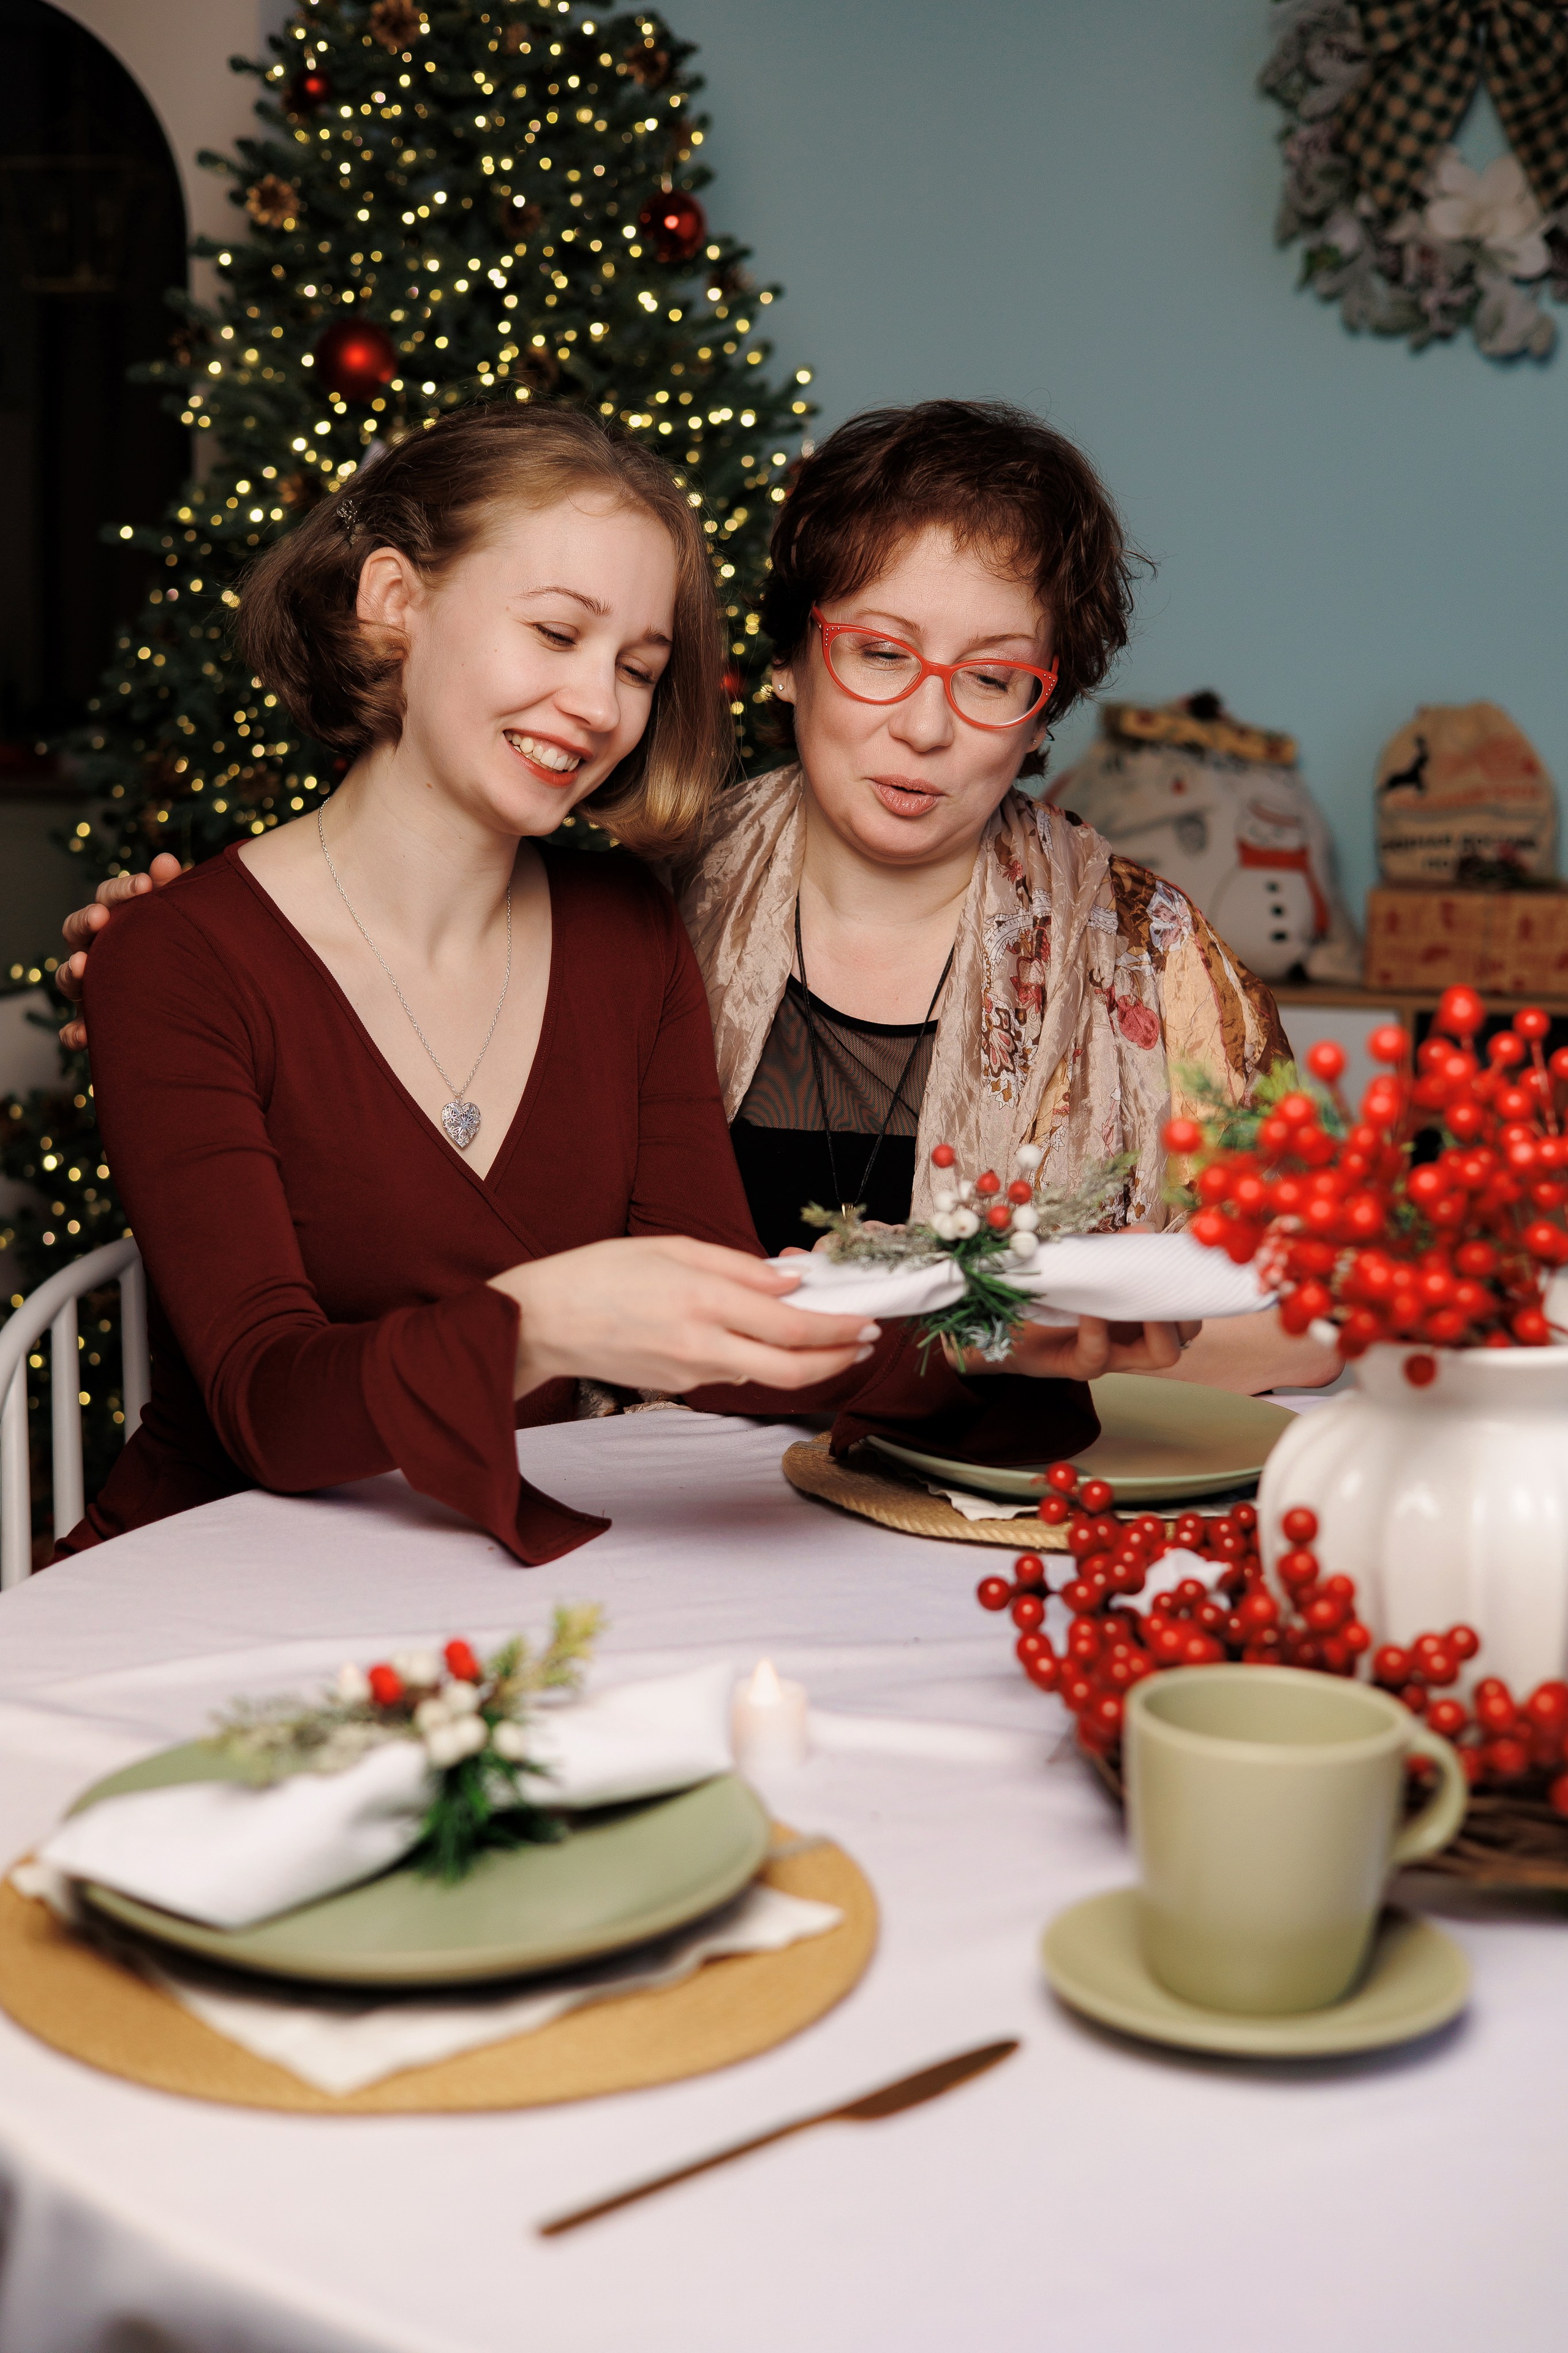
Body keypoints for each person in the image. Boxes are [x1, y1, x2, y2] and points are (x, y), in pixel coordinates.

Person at [59, 403, 1152, 1566]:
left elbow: (734, 1341)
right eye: (555, 633)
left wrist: (985, 1338)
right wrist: (546, 1325)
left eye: (638, 667)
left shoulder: (622, 932)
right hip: (198, 1582)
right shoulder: (170, 954)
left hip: (484, 1584)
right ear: (394, 603)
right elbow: (267, 1406)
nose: (597, 707)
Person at [674, 401, 1338, 1395]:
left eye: (991, 677)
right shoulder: (653, 906)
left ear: (1039, 721)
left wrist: (993, 1356)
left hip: (999, 1519)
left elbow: (1315, 1311)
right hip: (679, 1507)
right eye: (882, 653)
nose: (926, 725)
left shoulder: (1155, 953)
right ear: (787, 662)